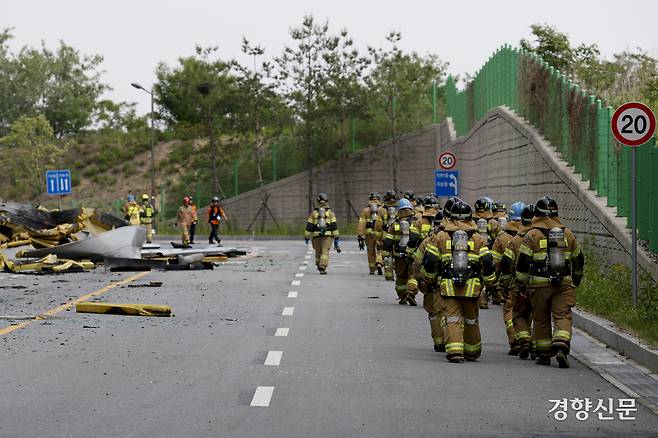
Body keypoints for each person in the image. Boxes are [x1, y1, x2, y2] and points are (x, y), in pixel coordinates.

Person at [515, 196, 585, 368]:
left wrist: (521, 284)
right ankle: (561, 344)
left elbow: (523, 263)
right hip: (563, 284)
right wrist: (575, 280)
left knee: (541, 318)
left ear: (537, 214)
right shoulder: (567, 234)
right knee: (563, 315)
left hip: (539, 286)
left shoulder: (531, 235)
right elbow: (578, 260)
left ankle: (544, 353)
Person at [425, 201, 496, 363]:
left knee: (452, 317)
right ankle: (472, 351)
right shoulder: (478, 238)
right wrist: (491, 283)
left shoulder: (440, 237)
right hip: (472, 288)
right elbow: (487, 262)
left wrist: (430, 280)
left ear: (449, 218)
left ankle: (455, 351)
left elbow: (430, 262)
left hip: (448, 287)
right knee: (471, 319)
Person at [500, 203, 535, 359]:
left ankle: (521, 340)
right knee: (539, 316)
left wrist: (502, 284)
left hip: (518, 286)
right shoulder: (545, 237)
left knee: (517, 313)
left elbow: (505, 264)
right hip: (541, 285)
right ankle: (539, 347)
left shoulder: (514, 240)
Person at [491, 201, 525, 355]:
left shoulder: (502, 238)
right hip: (529, 282)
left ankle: (514, 340)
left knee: (510, 310)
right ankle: (528, 340)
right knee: (528, 312)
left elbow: (495, 264)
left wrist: (495, 284)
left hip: (510, 283)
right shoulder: (532, 235)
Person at [381, 198, 417, 305]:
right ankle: (411, 291)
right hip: (412, 255)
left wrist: (385, 255)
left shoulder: (395, 224)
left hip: (399, 256)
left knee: (401, 277)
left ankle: (402, 297)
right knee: (412, 275)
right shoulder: (416, 223)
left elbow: (388, 242)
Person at [304, 193, 340, 274]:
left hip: (316, 236)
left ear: (317, 201)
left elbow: (309, 226)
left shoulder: (313, 213)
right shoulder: (330, 213)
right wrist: (336, 237)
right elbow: (334, 226)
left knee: (318, 251)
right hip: (327, 236)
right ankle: (322, 266)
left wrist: (306, 237)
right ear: (327, 201)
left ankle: (318, 264)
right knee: (325, 251)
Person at [357, 192, 383, 275]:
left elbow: (362, 223)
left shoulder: (366, 210)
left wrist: (360, 235)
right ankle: (379, 263)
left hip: (369, 235)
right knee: (380, 250)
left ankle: (372, 269)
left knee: (371, 252)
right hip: (380, 234)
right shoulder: (382, 209)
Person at [374, 190, 398, 281]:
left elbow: (378, 226)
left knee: (387, 255)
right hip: (397, 236)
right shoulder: (399, 209)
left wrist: (378, 239)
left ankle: (388, 275)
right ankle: (398, 272)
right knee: (397, 255)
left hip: (386, 236)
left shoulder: (382, 210)